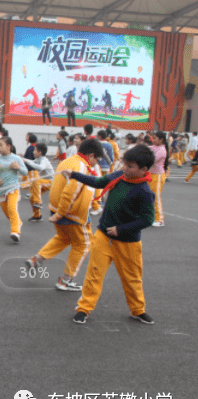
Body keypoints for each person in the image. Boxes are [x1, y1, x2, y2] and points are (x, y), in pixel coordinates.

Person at [68, 145, 156, 325]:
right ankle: (84, 308)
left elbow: (147, 219)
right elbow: (99, 182)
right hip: (103, 237)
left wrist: (121, 230)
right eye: (125, 163)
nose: (125, 168)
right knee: (94, 274)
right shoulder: (118, 176)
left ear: (143, 170)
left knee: (132, 279)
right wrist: (74, 174)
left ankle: (138, 310)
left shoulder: (145, 192)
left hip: (128, 243)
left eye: (130, 166)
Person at [26, 138, 104, 292]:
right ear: (91, 155)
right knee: (83, 244)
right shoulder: (82, 166)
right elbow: (70, 192)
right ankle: (66, 280)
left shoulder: (68, 161)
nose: (97, 163)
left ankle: (37, 259)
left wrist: (57, 212)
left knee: (63, 238)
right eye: (97, 159)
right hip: (72, 213)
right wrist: (61, 213)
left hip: (59, 209)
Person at [0, 137, 28, 242]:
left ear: (9, 146)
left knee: (12, 209)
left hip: (13, 188)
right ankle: (18, 222)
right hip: (0, 191)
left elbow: (25, 172)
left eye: (1, 145)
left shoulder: (16, 159)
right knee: (8, 215)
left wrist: (18, 168)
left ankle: (15, 232)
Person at [22, 143, 54, 222]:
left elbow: (40, 167)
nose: (33, 152)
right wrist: (24, 160)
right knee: (32, 197)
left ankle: (38, 202)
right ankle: (37, 215)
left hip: (52, 181)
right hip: (44, 182)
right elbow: (33, 161)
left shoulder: (44, 160)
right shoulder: (38, 159)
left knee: (37, 181)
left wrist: (27, 161)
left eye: (34, 150)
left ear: (39, 152)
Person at [148, 131, 168, 228]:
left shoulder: (162, 150)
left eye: (155, 138)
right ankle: (149, 216)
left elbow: (151, 160)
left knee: (156, 197)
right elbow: (147, 148)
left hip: (158, 175)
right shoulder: (155, 147)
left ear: (161, 140)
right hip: (151, 174)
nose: (154, 140)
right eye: (153, 138)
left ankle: (160, 219)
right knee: (148, 196)